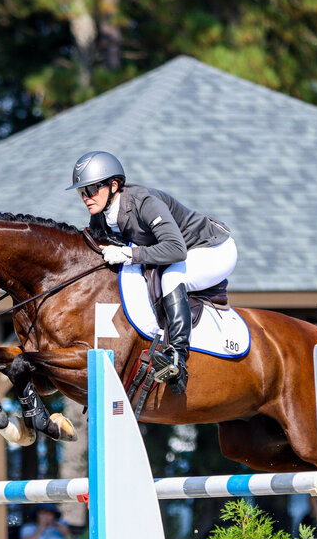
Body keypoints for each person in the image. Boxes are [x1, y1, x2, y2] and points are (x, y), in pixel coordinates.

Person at [68, 150, 238, 394]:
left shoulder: (144, 203)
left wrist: (131, 255)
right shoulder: (101, 216)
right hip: (181, 252)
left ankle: (177, 359)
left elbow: (176, 250)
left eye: (92, 190)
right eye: (81, 192)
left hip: (213, 248)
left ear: (114, 185)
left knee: (172, 277)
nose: (86, 197)